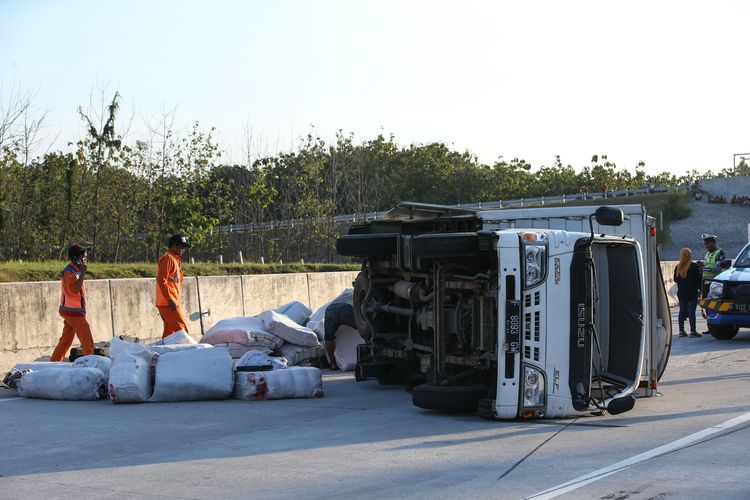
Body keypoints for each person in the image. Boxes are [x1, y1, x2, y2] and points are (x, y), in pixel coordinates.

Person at [50, 244, 95, 361]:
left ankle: (53, 363)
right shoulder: (69, 273)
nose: (85, 257)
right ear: (75, 257)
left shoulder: (75, 270)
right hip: (73, 313)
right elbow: (74, 290)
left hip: (71, 312)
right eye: (83, 255)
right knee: (87, 340)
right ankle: (90, 363)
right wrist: (83, 273)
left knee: (66, 341)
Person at [156, 234, 190, 338]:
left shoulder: (175, 259)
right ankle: (190, 353)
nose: (183, 249)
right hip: (168, 303)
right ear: (174, 245)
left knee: (169, 335)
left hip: (171, 302)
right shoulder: (168, 259)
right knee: (182, 332)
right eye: (181, 246)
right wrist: (170, 299)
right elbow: (161, 280)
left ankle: (162, 352)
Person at [673, 248, 702, 337]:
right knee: (691, 312)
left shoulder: (678, 267)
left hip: (681, 293)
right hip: (692, 293)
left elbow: (675, 279)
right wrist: (700, 290)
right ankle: (693, 331)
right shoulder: (693, 266)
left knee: (681, 312)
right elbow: (698, 279)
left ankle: (681, 331)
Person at [323, 301, 357, 371]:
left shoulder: (338, 298)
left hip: (330, 310)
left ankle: (333, 365)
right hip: (346, 308)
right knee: (363, 329)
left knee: (329, 337)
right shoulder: (353, 293)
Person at [700, 234, 725, 298]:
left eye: (708, 244)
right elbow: (707, 266)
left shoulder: (719, 253)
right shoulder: (707, 254)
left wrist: (703, 268)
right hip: (706, 282)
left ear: (713, 243)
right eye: (705, 244)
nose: (706, 246)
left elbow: (718, 269)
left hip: (716, 283)